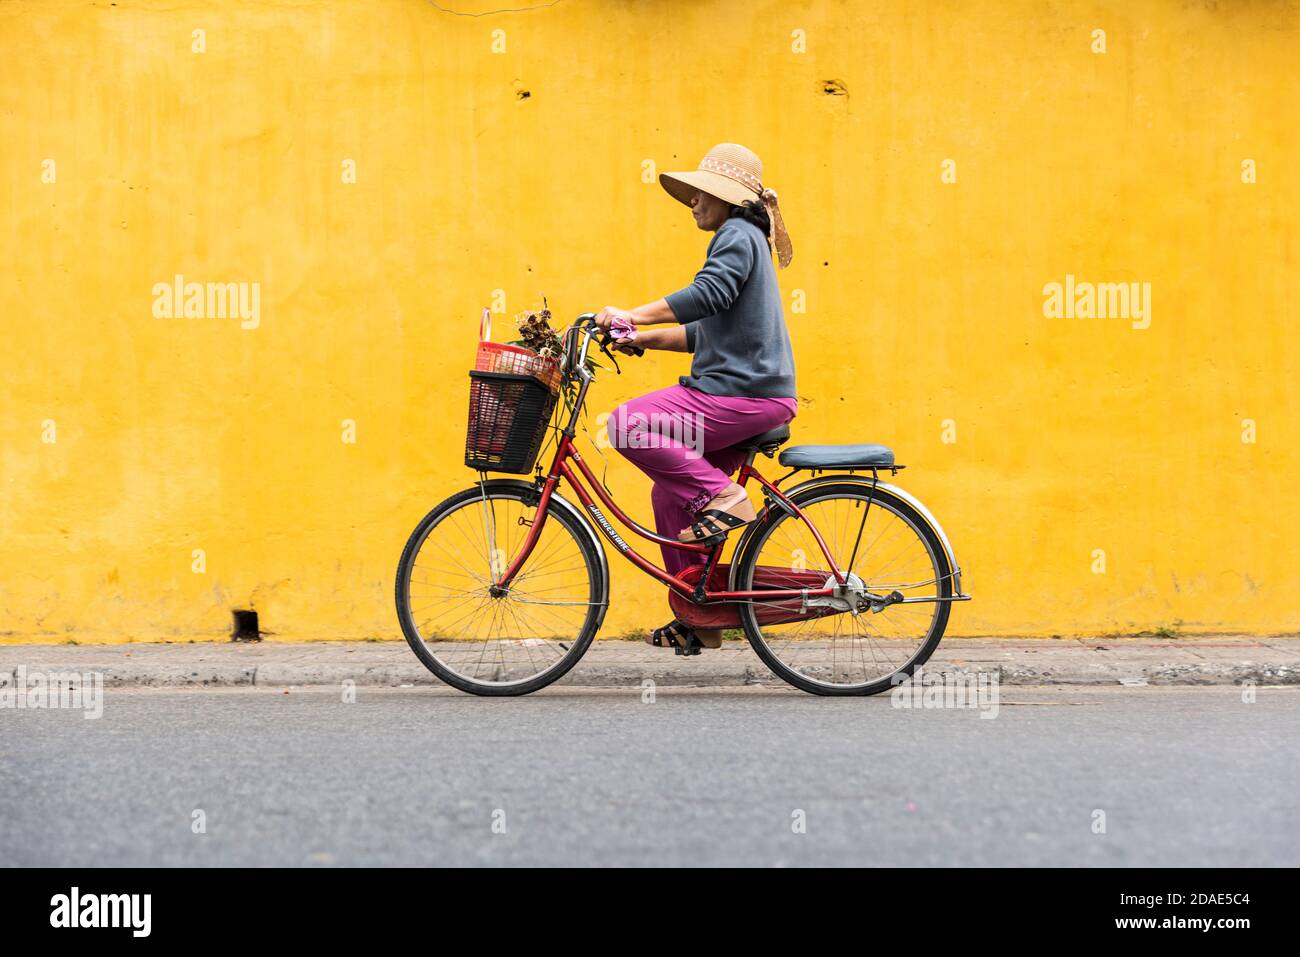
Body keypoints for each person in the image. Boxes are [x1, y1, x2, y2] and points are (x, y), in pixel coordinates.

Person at [595, 142, 798, 653]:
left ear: (728, 199)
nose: (693, 202)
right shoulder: (746, 240)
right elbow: (703, 332)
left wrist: (633, 313)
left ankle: (726, 497)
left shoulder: (736, 234)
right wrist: (635, 337)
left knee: (624, 424)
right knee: (669, 493)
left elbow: (706, 295)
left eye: (702, 193)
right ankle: (700, 613)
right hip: (746, 397)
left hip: (742, 397)